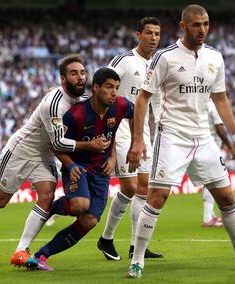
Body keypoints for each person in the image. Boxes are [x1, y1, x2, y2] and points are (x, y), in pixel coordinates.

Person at [126, 4, 235, 278]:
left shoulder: (215, 58)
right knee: (157, 196)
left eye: (206, 24)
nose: (202, 29)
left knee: (227, 197)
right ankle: (137, 261)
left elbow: (220, 98)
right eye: (196, 25)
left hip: (203, 138)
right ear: (183, 26)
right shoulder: (165, 57)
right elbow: (142, 98)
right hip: (172, 135)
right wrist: (138, 140)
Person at [0, 55, 110, 266]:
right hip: (21, 151)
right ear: (62, 79)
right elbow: (59, 142)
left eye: (82, 72)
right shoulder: (54, 104)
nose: (80, 77)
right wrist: (90, 146)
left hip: (45, 155)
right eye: (74, 73)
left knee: (46, 196)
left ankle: (21, 251)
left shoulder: (84, 100)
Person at [24, 67, 134, 270]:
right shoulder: (76, 115)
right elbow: (55, 144)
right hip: (78, 166)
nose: (114, 93)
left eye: (117, 88)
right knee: (80, 205)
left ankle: (41, 256)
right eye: (109, 87)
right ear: (96, 88)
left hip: (101, 169)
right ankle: (50, 208)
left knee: (90, 220)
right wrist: (71, 164)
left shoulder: (120, 105)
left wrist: (115, 155)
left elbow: (133, 115)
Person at [97, 16, 163, 261]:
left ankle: (134, 245)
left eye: (157, 34)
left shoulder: (158, 65)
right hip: (120, 129)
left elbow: (156, 102)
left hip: (142, 131)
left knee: (143, 187)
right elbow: (102, 85)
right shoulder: (124, 61)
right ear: (138, 35)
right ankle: (109, 239)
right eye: (148, 33)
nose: (153, 38)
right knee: (131, 186)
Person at [201, 100, 235, 227]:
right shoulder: (214, 106)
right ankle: (207, 218)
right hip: (211, 148)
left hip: (201, 146)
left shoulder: (203, 103)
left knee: (208, 181)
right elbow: (220, 130)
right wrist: (230, 147)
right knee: (213, 181)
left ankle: (209, 215)